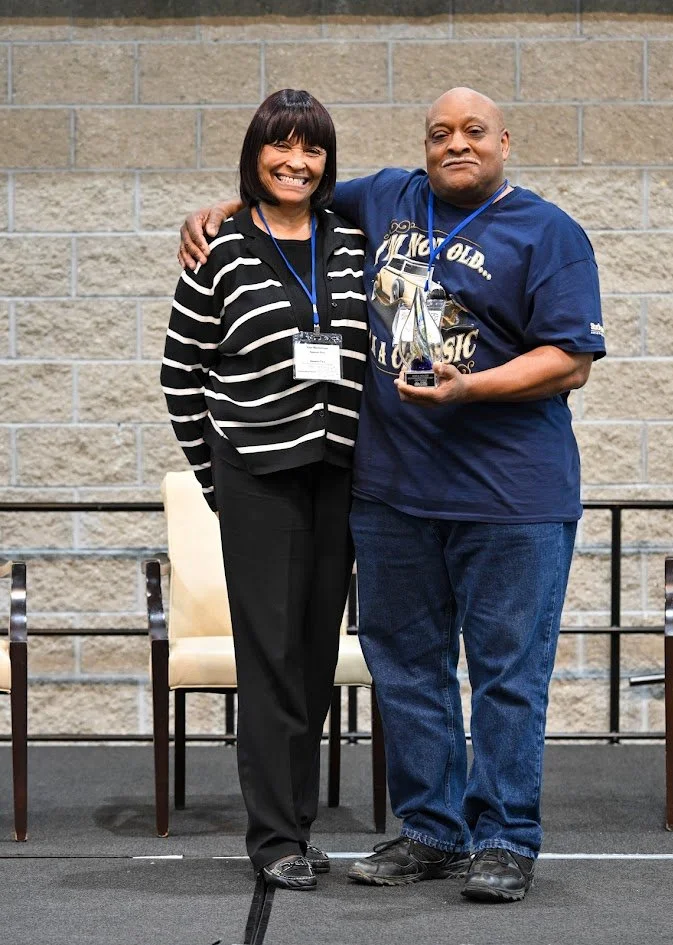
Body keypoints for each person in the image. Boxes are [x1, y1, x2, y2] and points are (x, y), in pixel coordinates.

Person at [178, 87, 605, 903]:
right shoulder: (392, 196)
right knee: (407, 671)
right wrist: (220, 206)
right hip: (393, 497)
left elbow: (570, 359)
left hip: (511, 499)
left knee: (508, 674)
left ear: (504, 141)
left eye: (474, 132)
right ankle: (433, 830)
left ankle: (505, 838)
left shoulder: (549, 233)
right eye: (440, 132)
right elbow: (295, 184)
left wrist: (471, 387)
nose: (456, 144)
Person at [163, 89, 368, 891]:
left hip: (339, 478)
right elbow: (180, 376)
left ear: (327, 163)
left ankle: (302, 826)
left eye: (312, 149)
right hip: (258, 482)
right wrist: (222, 480)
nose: (297, 162)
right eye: (280, 147)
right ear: (254, 155)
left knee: (315, 661)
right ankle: (273, 836)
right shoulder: (222, 251)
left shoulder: (350, 241)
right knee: (271, 660)